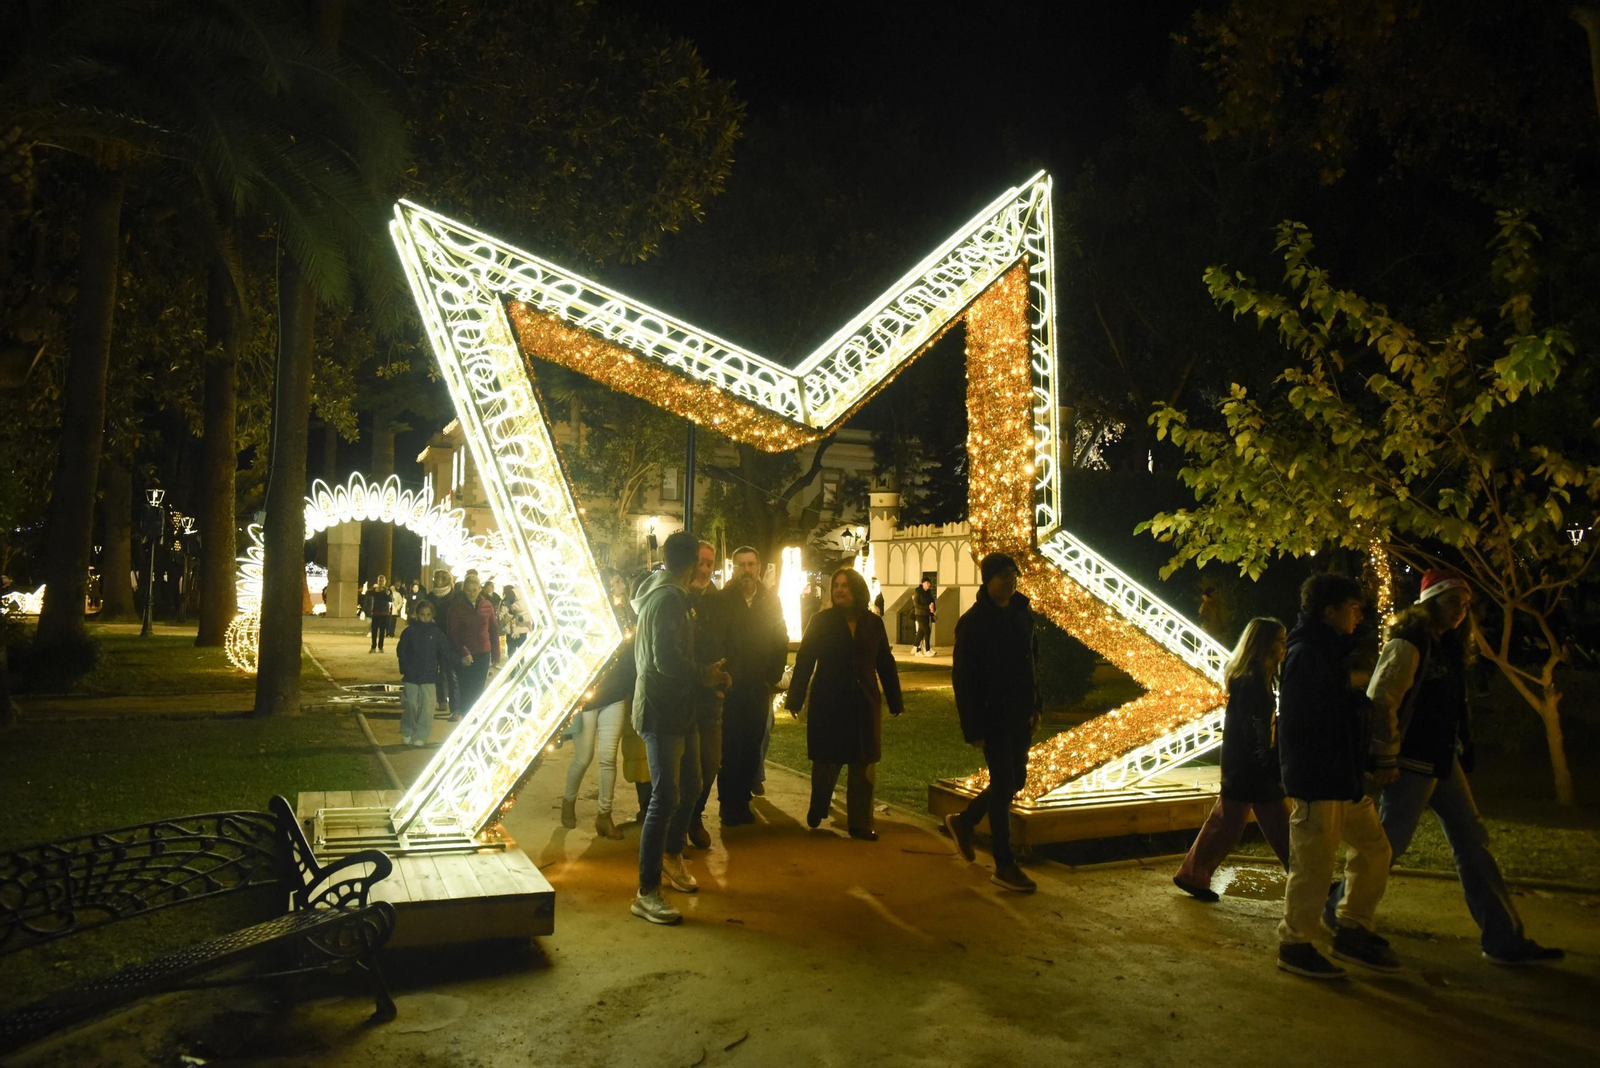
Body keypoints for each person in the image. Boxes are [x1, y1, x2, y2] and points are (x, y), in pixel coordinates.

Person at [1324, 570, 1563, 966]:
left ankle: (1503, 939)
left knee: (1472, 842)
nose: (1460, 611)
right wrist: (1386, 756)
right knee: (1385, 848)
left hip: (1441, 761)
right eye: (1453, 602)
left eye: (1465, 604)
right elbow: (1382, 700)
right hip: (1410, 764)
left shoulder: (1445, 645)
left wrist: (1461, 744)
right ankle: (1341, 915)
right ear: (1429, 602)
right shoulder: (1409, 642)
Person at [1275, 572, 1398, 980]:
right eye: (1353, 608)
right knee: (1313, 866)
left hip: (1341, 779)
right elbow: (1306, 724)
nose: (1359, 616)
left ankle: (1352, 927)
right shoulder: (1308, 653)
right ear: (1330, 611)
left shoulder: (1325, 651)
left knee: (1375, 849)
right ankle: (1295, 945)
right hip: (1320, 781)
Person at [630, 532, 729, 925]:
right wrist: (706, 675)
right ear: (690, 565)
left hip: (677, 709)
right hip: (662, 711)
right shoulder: (669, 599)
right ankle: (646, 891)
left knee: (691, 785)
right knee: (665, 797)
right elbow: (667, 661)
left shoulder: (668, 593)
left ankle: (671, 857)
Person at [1173, 617, 1292, 901]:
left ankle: (1193, 874)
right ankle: (1193, 874)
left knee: (1264, 823)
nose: (1284, 646)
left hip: (1247, 767)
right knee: (1232, 823)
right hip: (1249, 769)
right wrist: (1267, 764)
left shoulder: (1258, 679)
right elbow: (1255, 730)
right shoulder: (1253, 684)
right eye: (1280, 640)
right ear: (1264, 645)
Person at [944, 554, 1041, 892]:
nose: (1010, 580)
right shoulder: (974, 622)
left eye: (1013, 573)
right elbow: (963, 678)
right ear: (987, 581)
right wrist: (972, 727)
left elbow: (1032, 662)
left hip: (1020, 714)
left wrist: (1036, 706)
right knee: (1003, 784)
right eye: (1002, 575)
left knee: (1016, 780)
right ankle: (1004, 864)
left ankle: (965, 821)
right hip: (992, 715)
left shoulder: (1022, 614)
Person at [787, 567, 903, 840]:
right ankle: (819, 805)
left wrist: (895, 699)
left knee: (863, 764)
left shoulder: (873, 623)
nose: (839, 590)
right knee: (827, 761)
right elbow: (805, 660)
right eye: (836, 585)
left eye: (845, 585)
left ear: (858, 590)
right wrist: (795, 699)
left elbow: (884, 662)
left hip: (864, 703)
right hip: (830, 702)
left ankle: (860, 823)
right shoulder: (821, 621)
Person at [716, 544, 790, 828]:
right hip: (731, 686)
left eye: (751, 564)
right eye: (741, 565)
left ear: (759, 568)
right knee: (730, 747)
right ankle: (728, 803)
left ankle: (743, 799)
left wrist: (772, 675)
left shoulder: (770, 601)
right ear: (734, 568)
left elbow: (780, 638)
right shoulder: (723, 600)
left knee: (752, 744)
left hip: (758, 686)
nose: (746, 570)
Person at [562, 569, 636, 839]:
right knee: (583, 757)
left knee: (608, 758)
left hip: (615, 695)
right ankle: (568, 800)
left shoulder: (629, 613)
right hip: (590, 697)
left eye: (619, 581)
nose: (618, 586)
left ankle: (604, 815)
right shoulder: (590, 615)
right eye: (612, 582)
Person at [685, 542, 728, 848]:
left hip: (710, 695)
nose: (704, 569)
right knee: (683, 765)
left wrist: (725, 676)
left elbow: (729, 643)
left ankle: (694, 815)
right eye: (700, 562)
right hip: (683, 694)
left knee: (710, 762)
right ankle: (679, 823)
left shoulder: (719, 601)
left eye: (709, 564)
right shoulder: (677, 597)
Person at [395, 599, 454, 747]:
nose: (425, 618)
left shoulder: (436, 633)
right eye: (422, 614)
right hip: (411, 675)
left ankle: (421, 735)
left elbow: (446, 650)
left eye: (428, 615)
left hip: (429, 676)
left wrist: (459, 661)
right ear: (417, 614)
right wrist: (405, 667)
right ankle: (408, 731)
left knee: (427, 708)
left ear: (432, 615)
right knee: (410, 704)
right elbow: (401, 651)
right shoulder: (409, 632)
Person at [445, 572, 500, 720]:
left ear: (479, 589)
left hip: (483, 653)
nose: (472, 593)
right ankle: (466, 718)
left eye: (474, 590)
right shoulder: (457, 607)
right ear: (464, 590)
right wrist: (464, 652)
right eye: (468, 590)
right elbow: (453, 633)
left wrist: (496, 654)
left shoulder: (487, 605)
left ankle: (474, 719)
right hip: (465, 653)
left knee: (478, 689)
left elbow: (494, 629)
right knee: (465, 689)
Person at [424, 569, 459, 715]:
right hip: (431, 637)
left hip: (448, 638)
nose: (436, 580)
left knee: (448, 671)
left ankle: (452, 705)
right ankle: (438, 700)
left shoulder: (454, 597)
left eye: (440, 578)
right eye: (435, 578)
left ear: (446, 580)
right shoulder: (430, 597)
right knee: (432, 670)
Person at [499, 585, 531, 658]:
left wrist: (520, 618)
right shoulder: (505, 604)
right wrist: (510, 613)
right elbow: (502, 620)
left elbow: (528, 616)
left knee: (521, 653)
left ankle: (521, 664)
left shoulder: (522, 603)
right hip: (510, 632)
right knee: (511, 653)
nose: (511, 596)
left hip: (522, 631)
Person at [365, 575, 392, 652]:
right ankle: (373, 647)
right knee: (374, 630)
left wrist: (388, 594)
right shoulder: (374, 590)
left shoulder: (388, 590)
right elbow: (367, 593)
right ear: (377, 581)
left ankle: (380, 647)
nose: (381, 582)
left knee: (382, 631)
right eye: (379, 581)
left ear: (385, 582)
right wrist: (374, 589)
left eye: (382, 581)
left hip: (384, 613)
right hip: (375, 612)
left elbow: (391, 599)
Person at [913, 577, 937, 655]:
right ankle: (927, 650)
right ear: (923, 583)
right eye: (927, 583)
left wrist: (933, 609)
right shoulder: (918, 592)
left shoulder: (929, 592)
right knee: (927, 630)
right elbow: (916, 604)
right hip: (919, 614)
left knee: (921, 631)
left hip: (926, 614)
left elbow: (932, 601)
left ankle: (915, 647)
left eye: (929, 583)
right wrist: (928, 607)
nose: (929, 585)